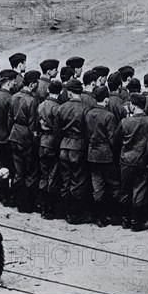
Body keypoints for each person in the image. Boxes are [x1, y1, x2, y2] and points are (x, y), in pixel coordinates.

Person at [115, 93, 148, 231]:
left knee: (125, 190)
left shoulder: (125, 122)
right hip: (142, 161)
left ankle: (125, 220)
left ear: (132, 105)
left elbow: (117, 140)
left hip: (126, 160)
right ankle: (136, 222)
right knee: (139, 191)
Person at [56, 79, 93, 224]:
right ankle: (75, 214)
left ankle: (65, 210)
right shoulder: (86, 109)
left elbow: (57, 131)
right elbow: (88, 131)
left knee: (65, 179)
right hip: (79, 146)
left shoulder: (62, 107)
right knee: (78, 180)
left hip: (64, 146)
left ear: (69, 92)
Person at [85, 86, 121, 227]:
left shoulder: (89, 114)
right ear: (106, 99)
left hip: (92, 153)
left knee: (97, 185)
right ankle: (113, 215)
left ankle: (98, 217)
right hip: (106, 155)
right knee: (114, 185)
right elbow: (113, 138)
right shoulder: (109, 116)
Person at [8, 70, 41, 213]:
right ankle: (27, 204)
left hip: (14, 134)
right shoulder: (32, 100)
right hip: (26, 137)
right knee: (30, 171)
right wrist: (35, 141)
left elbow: (9, 118)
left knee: (17, 171)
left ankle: (16, 199)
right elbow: (33, 125)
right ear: (33, 84)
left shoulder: (14, 97)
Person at [0, 69, 18, 206]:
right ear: (10, 81)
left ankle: (1, 193)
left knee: (0, 166)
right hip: (7, 137)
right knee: (10, 168)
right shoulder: (10, 98)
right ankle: (8, 196)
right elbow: (10, 121)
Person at [37, 80, 63, 219]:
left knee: (44, 174)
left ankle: (42, 205)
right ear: (59, 92)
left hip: (42, 141)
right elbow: (58, 130)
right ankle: (50, 208)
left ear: (48, 90)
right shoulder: (58, 108)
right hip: (53, 142)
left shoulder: (41, 105)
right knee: (53, 175)